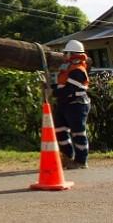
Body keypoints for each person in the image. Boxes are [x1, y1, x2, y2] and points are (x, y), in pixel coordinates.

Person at [54, 39, 91, 169]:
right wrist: (50, 87)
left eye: (65, 53)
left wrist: (52, 92)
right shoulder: (68, 68)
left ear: (72, 53)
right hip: (65, 103)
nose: (64, 56)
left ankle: (81, 161)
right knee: (60, 130)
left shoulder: (78, 70)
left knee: (78, 132)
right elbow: (62, 86)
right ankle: (67, 157)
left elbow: (70, 89)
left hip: (76, 104)